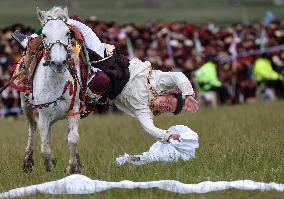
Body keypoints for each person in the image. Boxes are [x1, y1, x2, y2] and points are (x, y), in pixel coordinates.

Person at [12, 9, 198, 143]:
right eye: (169, 101)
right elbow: (178, 76)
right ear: (167, 94)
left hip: (103, 85)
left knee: (95, 84)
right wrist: (188, 93)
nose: (166, 105)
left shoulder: (143, 110)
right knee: (74, 25)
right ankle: (31, 40)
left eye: (168, 109)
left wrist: (166, 136)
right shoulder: (159, 81)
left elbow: (149, 128)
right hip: (109, 61)